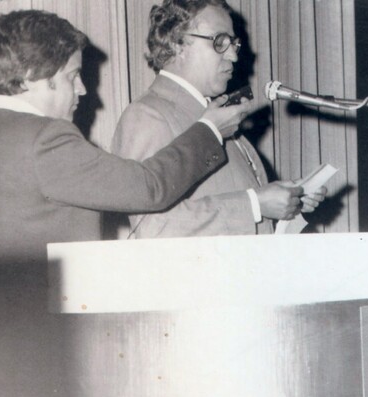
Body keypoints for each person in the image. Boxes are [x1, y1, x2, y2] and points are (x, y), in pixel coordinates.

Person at [0, 10, 257, 397]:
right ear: (31, 77)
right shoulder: (43, 139)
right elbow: (149, 188)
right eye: (72, 76)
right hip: (45, 353)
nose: (83, 91)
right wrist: (208, 130)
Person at [112, 0, 326, 237]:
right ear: (177, 44)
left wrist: (285, 200)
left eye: (233, 43)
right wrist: (254, 204)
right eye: (219, 41)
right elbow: (151, 227)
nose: (233, 56)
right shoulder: (147, 115)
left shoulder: (216, 115)